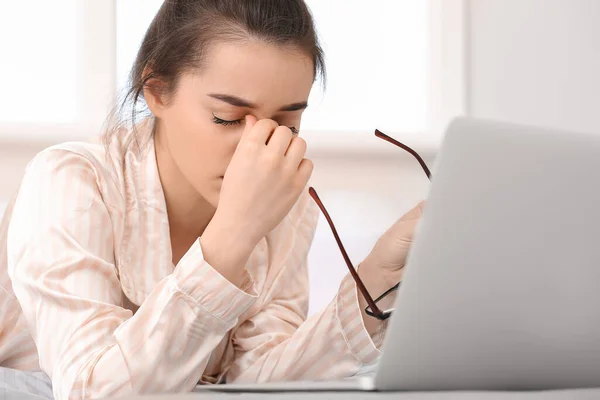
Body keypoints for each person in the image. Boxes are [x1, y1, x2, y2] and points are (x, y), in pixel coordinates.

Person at [0, 1, 425, 399]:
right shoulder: (71, 182)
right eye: (228, 119)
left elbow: (255, 378)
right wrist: (233, 233)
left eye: (288, 124)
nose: (256, 147)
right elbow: (94, 389)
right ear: (156, 91)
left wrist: (376, 280)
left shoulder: (285, 208)